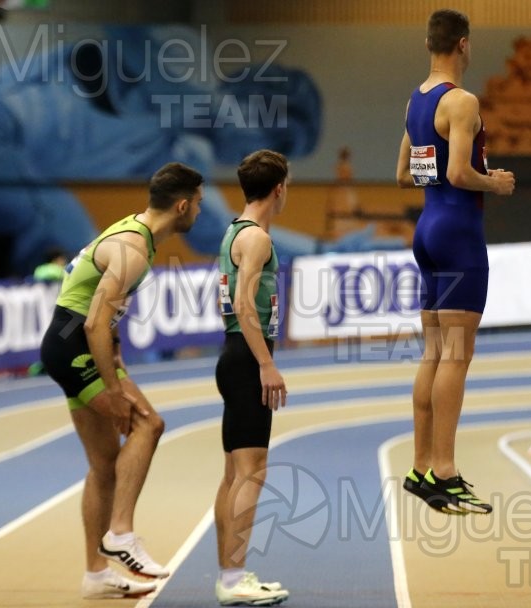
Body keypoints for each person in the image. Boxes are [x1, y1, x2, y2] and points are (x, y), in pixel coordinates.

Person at [39, 162, 203, 600]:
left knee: (103, 465)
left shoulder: (134, 233)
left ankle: (96, 573)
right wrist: (114, 387)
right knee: (148, 424)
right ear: (183, 205)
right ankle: (121, 534)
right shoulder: (133, 247)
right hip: (74, 345)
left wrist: (116, 361)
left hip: (70, 343)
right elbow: (94, 322)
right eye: (200, 204)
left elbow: (101, 316)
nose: (200, 213)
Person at [395, 9, 515, 515]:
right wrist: (496, 182)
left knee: (434, 353)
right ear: (463, 46)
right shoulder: (462, 101)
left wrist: (440, 181)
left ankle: (421, 466)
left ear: (430, 45)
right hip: (460, 235)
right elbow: (462, 171)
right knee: (457, 357)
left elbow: (403, 175)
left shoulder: (416, 101)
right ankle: (444, 469)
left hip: (427, 232)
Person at [212, 150, 290, 606]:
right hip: (246, 359)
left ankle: (230, 572)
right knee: (251, 472)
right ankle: (233, 577)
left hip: (234, 354)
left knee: (233, 476)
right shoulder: (257, 239)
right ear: (279, 188)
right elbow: (244, 305)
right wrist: (266, 363)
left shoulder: (233, 232)